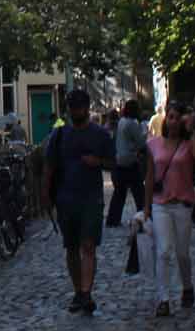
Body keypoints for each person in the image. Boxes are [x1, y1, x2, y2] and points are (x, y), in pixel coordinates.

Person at [42, 88, 114, 314]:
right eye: (72, 108)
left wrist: (98, 161)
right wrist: (45, 195)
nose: (76, 112)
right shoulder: (59, 134)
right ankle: (77, 291)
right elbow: (49, 166)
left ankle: (86, 293)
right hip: (66, 199)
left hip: (91, 198)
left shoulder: (100, 134)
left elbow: (113, 163)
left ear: (86, 107)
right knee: (71, 247)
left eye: (79, 108)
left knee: (88, 245)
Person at [144, 102, 195, 315]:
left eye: (178, 118)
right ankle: (164, 298)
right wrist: (146, 208)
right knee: (164, 251)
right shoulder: (153, 144)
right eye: (171, 117)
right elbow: (149, 177)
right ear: (165, 119)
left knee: (182, 253)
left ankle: (187, 287)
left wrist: (192, 131)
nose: (174, 121)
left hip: (183, 204)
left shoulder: (188, 145)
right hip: (161, 205)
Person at [107, 97, 148, 227]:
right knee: (139, 192)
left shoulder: (122, 122)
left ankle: (112, 219)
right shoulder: (132, 124)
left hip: (119, 160)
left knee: (119, 193)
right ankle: (145, 215)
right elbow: (141, 142)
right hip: (130, 160)